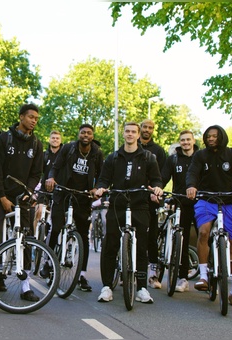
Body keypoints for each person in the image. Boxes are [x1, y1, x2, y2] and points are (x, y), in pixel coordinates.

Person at [94, 122, 163, 304]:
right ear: (123, 134)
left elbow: (156, 179)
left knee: (141, 248)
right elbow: (103, 179)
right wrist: (101, 188)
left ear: (138, 135)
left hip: (140, 204)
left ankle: (141, 288)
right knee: (110, 245)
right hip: (118, 204)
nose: (130, 134)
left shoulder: (148, 157)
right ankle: (107, 286)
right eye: (127, 131)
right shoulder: (113, 157)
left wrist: (157, 188)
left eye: (134, 132)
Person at [186, 125, 232, 307]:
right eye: (208, 136)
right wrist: (191, 186)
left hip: (227, 201)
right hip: (206, 199)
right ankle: (203, 276)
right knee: (204, 232)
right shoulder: (200, 156)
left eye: (215, 136)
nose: (211, 138)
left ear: (221, 137)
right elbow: (192, 172)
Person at [0, 103, 43, 302]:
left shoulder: (37, 143)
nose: (34, 120)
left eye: (36, 118)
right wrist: (2, 197)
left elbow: (36, 173)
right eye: (30, 117)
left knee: (26, 237)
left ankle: (25, 286)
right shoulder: (4, 139)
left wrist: (29, 191)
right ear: (21, 117)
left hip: (22, 196)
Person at [44, 124, 103, 292]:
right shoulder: (69, 148)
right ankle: (48, 263)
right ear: (79, 134)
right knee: (55, 228)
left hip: (83, 196)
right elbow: (55, 167)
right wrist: (51, 179)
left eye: (89, 133)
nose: (85, 135)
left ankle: (82, 274)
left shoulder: (97, 153)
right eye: (83, 132)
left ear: (92, 136)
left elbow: (101, 175)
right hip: (63, 192)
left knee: (83, 235)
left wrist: (96, 188)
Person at [160, 130, 198, 293]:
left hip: (200, 203)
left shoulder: (201, 157)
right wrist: (157, 190)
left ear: (193, 141)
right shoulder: (173, 159)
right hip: (181, 203)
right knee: (180, 241)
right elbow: (163, 178)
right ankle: (183, 277)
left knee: (205, 237)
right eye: (183, 140)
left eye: (188, 140)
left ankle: (209, 275)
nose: (186, 143)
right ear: (180, 142)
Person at [139, 119, 167, 289]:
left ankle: (153, 273)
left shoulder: (158, 151)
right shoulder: (132, 147)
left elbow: (161, 176)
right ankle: (124, 270)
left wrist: (157, 191)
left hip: (151, 199)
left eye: (150, 128)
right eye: (145, 127)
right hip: (134, 197)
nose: (147, 130)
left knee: (151, 234)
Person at [34, 131, 62, 227]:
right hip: (44, 188)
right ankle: (35, 238)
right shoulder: (44, 155)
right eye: (53, 138)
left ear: (60, 140)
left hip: (59, 190)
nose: (55, 140)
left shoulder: (64, 156)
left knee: (57, 217)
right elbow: (36, 171)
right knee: (38, 212)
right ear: (49, 140)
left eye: (57, 138)